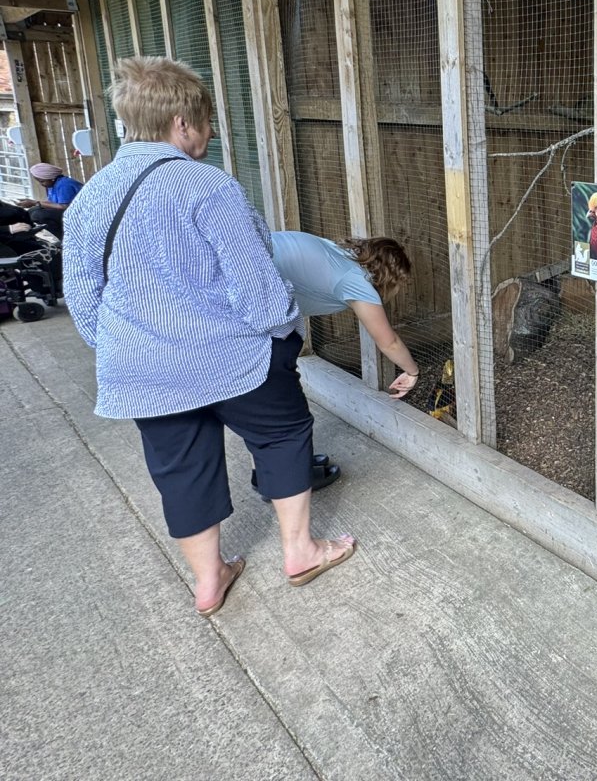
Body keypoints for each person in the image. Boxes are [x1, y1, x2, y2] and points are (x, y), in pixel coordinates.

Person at [63, 56, 355, 617]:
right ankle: (300, 551)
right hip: (231, 358)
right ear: (181, 123)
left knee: (179, 464)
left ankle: (209, 580)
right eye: (205, 121)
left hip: (143, 369)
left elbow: (82, 296)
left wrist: (129, 347)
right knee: (283, 433)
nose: (211, 133)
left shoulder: (91, 197)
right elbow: (257, 287)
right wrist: (285, 333)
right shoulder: (208, 186)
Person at [253, 231, 420, 499]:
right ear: (390, 277)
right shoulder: (356, 281)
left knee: (268, 400)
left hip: (251, 287)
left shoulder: (339, 254)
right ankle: (282, 480)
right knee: (280, 403)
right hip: (252, 308)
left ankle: (278, 470)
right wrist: (412, 371)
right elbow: (388, 342)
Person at [18, 161, 81, 240]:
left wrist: (36, 203)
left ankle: (66, 239)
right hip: (69, 211)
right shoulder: (53, 184)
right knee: (32, 211)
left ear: (52, 178)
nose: (41, 184)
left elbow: (65, 206)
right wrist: (34, 203)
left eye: (42, 181)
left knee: (39, 215)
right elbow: (52, 203)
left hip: (80, 213)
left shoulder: (64, 185)